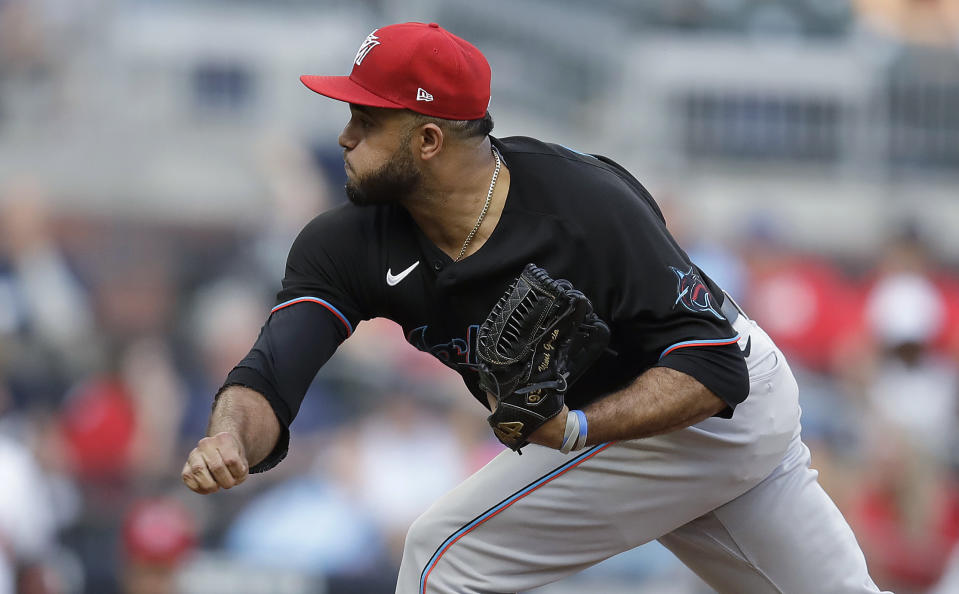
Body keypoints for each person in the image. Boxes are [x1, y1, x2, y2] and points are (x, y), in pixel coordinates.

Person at [182, 22, 886, 593]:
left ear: (427, 140)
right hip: (651, 431)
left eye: (365, 120)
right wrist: (229, 436)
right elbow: (271, 372)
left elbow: (713, 370)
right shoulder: (347, 242)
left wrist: (578, 425)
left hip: (714, 412)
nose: (344, 137)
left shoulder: (582, 203)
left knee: (440, 562)